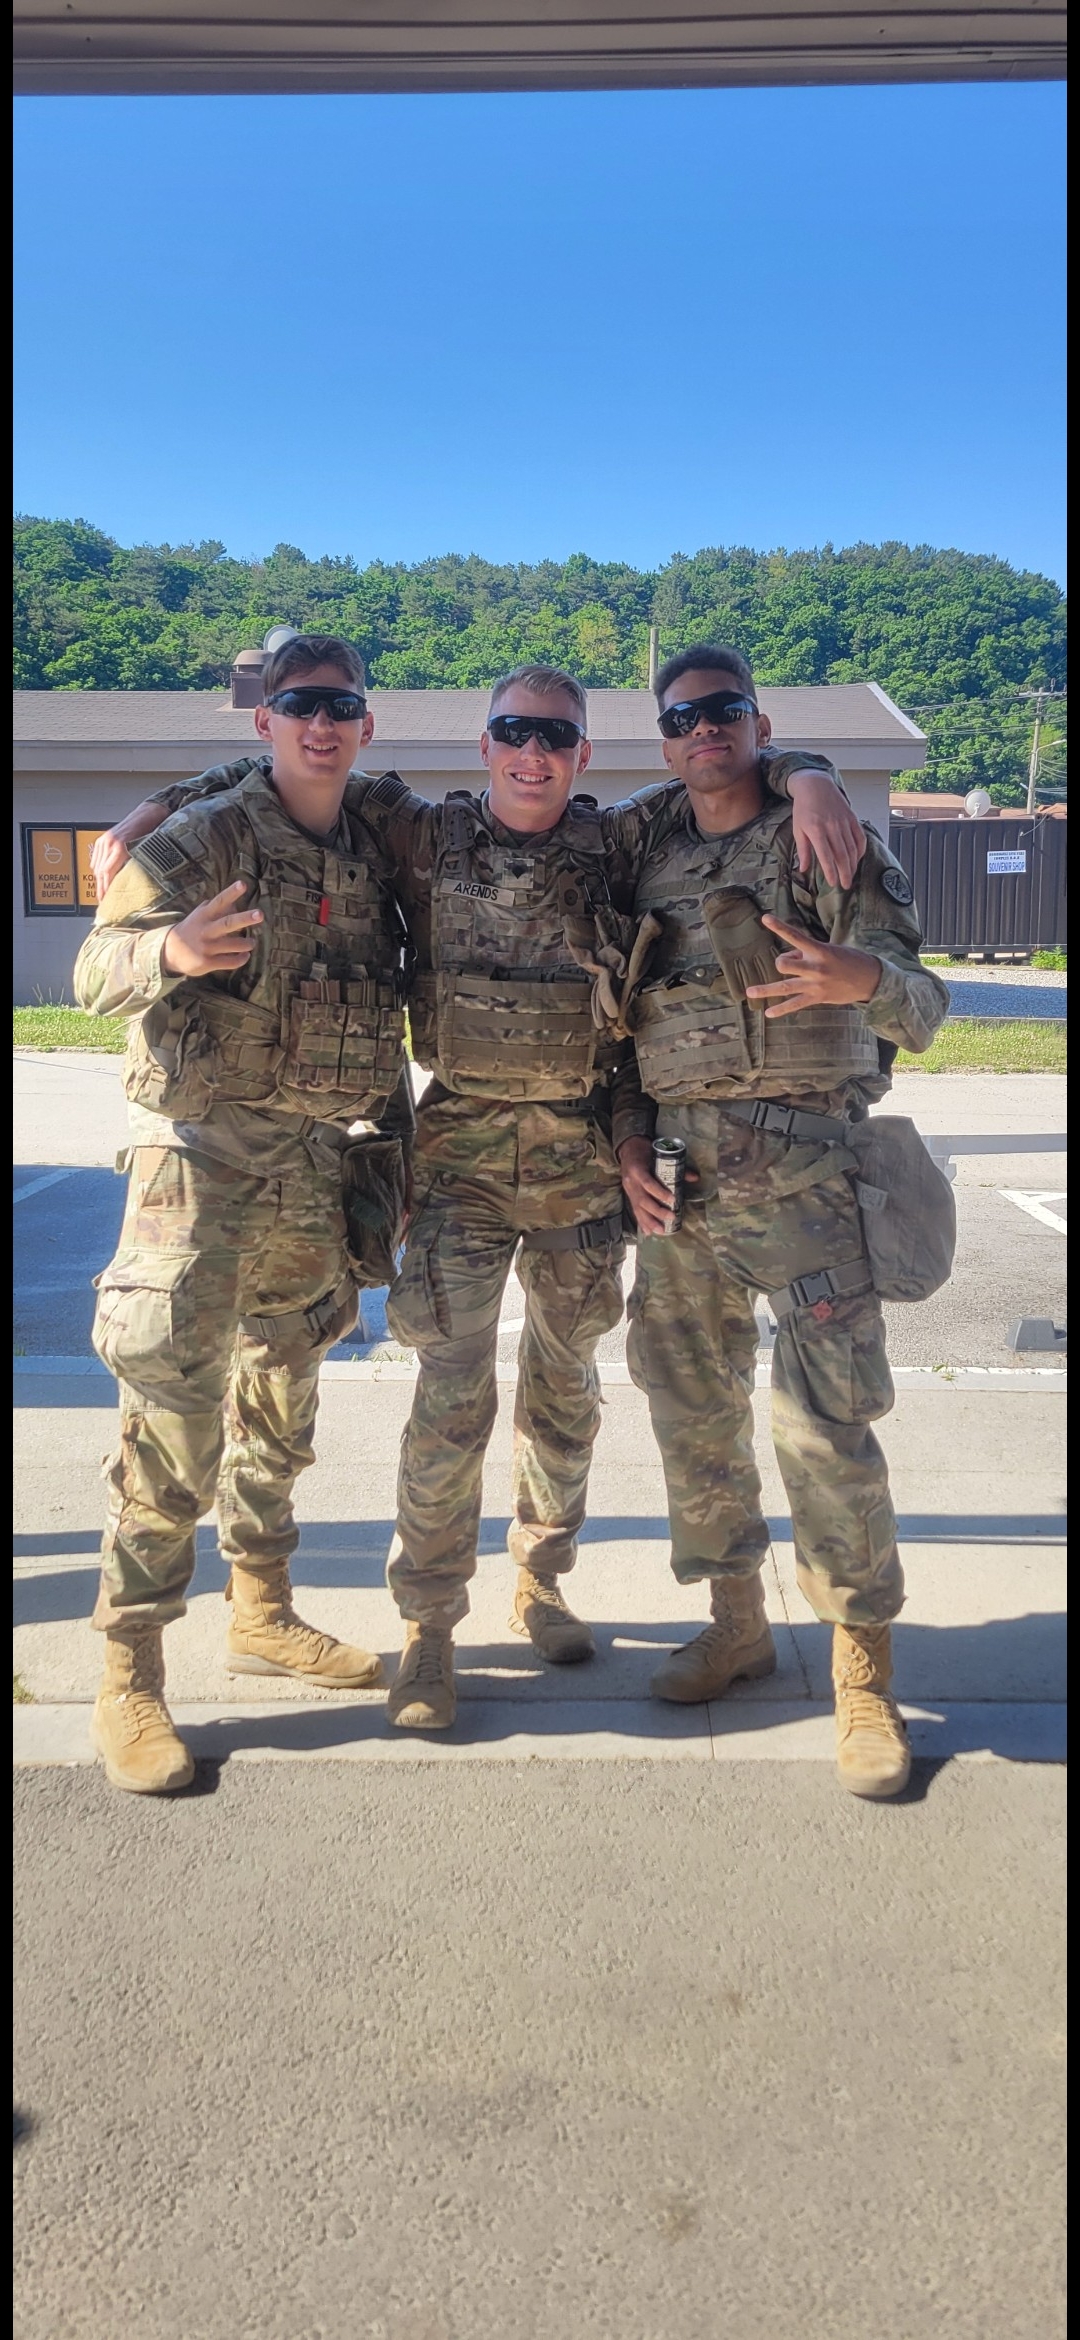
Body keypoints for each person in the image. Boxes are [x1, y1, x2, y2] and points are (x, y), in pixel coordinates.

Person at [94, 664, 863, 1732]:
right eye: (513, 732)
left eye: (556, 735)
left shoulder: (619, 842)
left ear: (583, 754)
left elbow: (716, 771)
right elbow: (288, 762)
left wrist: (809, 769)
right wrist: (161, 804)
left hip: (581, 1166)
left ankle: (540, 1579)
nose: (534, 752)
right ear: (486, 743)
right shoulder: (421, 832)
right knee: (448, 1408)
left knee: (565, 1396)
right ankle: (429, 1634)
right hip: (455, 1167)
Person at [74, 635, 413, 1792]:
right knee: (173, 1425)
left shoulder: (372, 835)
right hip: (201, 1167)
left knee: (281, 1405)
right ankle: (130, 1676)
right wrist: (168, 948)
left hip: (313, 1166)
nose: (321, 723)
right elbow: (89, 968)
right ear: (263, 721)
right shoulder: (202, 836)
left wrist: (807, 769)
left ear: (366, 725)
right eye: (299, 705)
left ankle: (260, 1611)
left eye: (342, 706)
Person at [615, 646, 950, 1798]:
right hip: (679, 1192)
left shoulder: (829, 838)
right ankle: (737, 1624)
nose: (704, 729)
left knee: (828, 1432)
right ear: (663, 738)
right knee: (694, 1423)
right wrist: (623, 1144)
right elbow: (619, 1031)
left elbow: (930, 1000)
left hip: (810, 1182)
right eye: (683, 716)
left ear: (759, 725)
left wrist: (865, 980)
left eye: (726, 713)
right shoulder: (645, 852)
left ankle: (863, 1675)